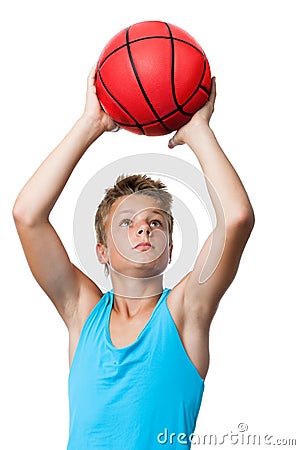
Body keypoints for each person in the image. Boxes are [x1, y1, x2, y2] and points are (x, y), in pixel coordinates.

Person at [13, 65, 255, 449]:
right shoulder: (82, 313)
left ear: (170, 250)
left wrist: (198, 132)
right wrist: (90, 123)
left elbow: (237, 217)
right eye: (126, 222)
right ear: (102, 251)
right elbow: (27, 216)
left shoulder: (184, 311)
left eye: (156, 222)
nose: (144, 229)